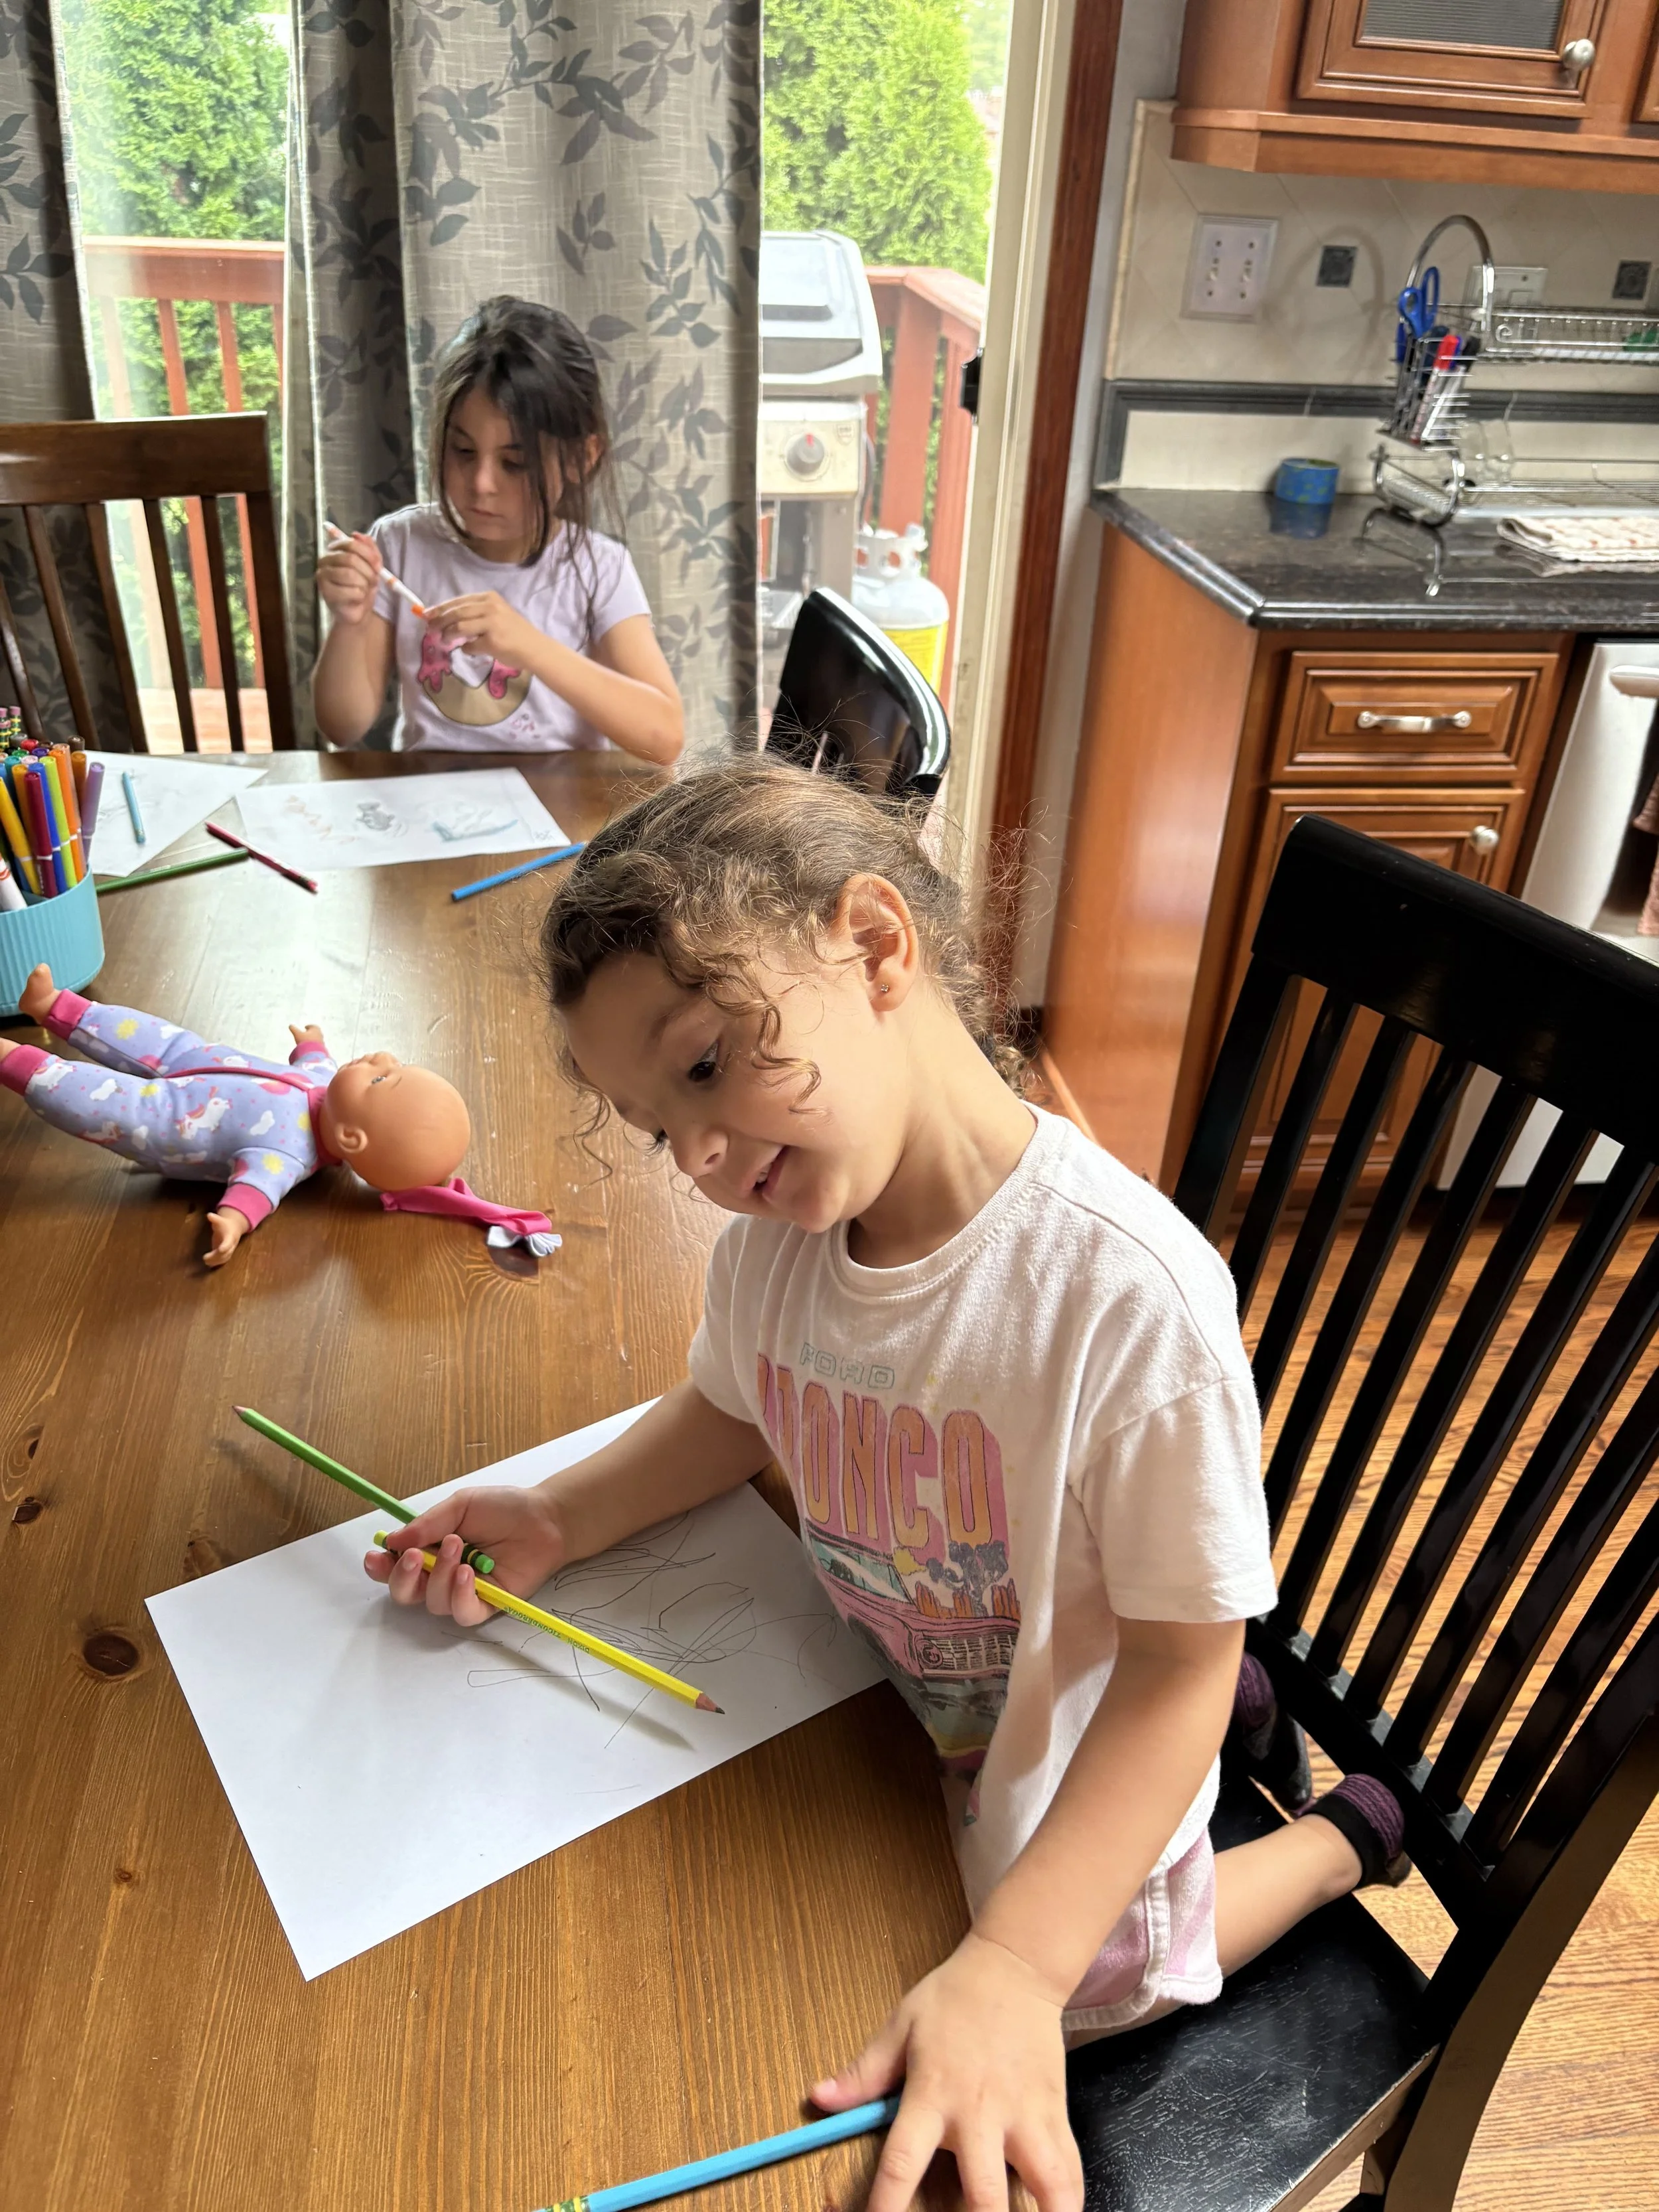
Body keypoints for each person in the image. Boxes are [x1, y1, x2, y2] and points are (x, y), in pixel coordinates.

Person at [364, 762, 1407, 2212]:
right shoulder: (778, 1250)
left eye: (707, 1065)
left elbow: (1176, 1665)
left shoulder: (1126, 1297)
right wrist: (561, 1511)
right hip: (923, 1698)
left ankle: (1341, 1837)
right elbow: (728, 1410)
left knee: (1092, 1979)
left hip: (1086, 1738)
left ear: (871, 946)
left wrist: (1016, 1966)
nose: (699, 1159)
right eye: (658, 1124)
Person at [312, 295, 684, 763]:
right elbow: (342, 725)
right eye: (463, 452)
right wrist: (349, 621)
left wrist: (529, 646)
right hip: (433, 796)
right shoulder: (400, 544)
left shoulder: (599, 567)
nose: (482, 484)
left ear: (582, 458)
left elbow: (664, 737)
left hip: (562, 802)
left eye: (515, 462)